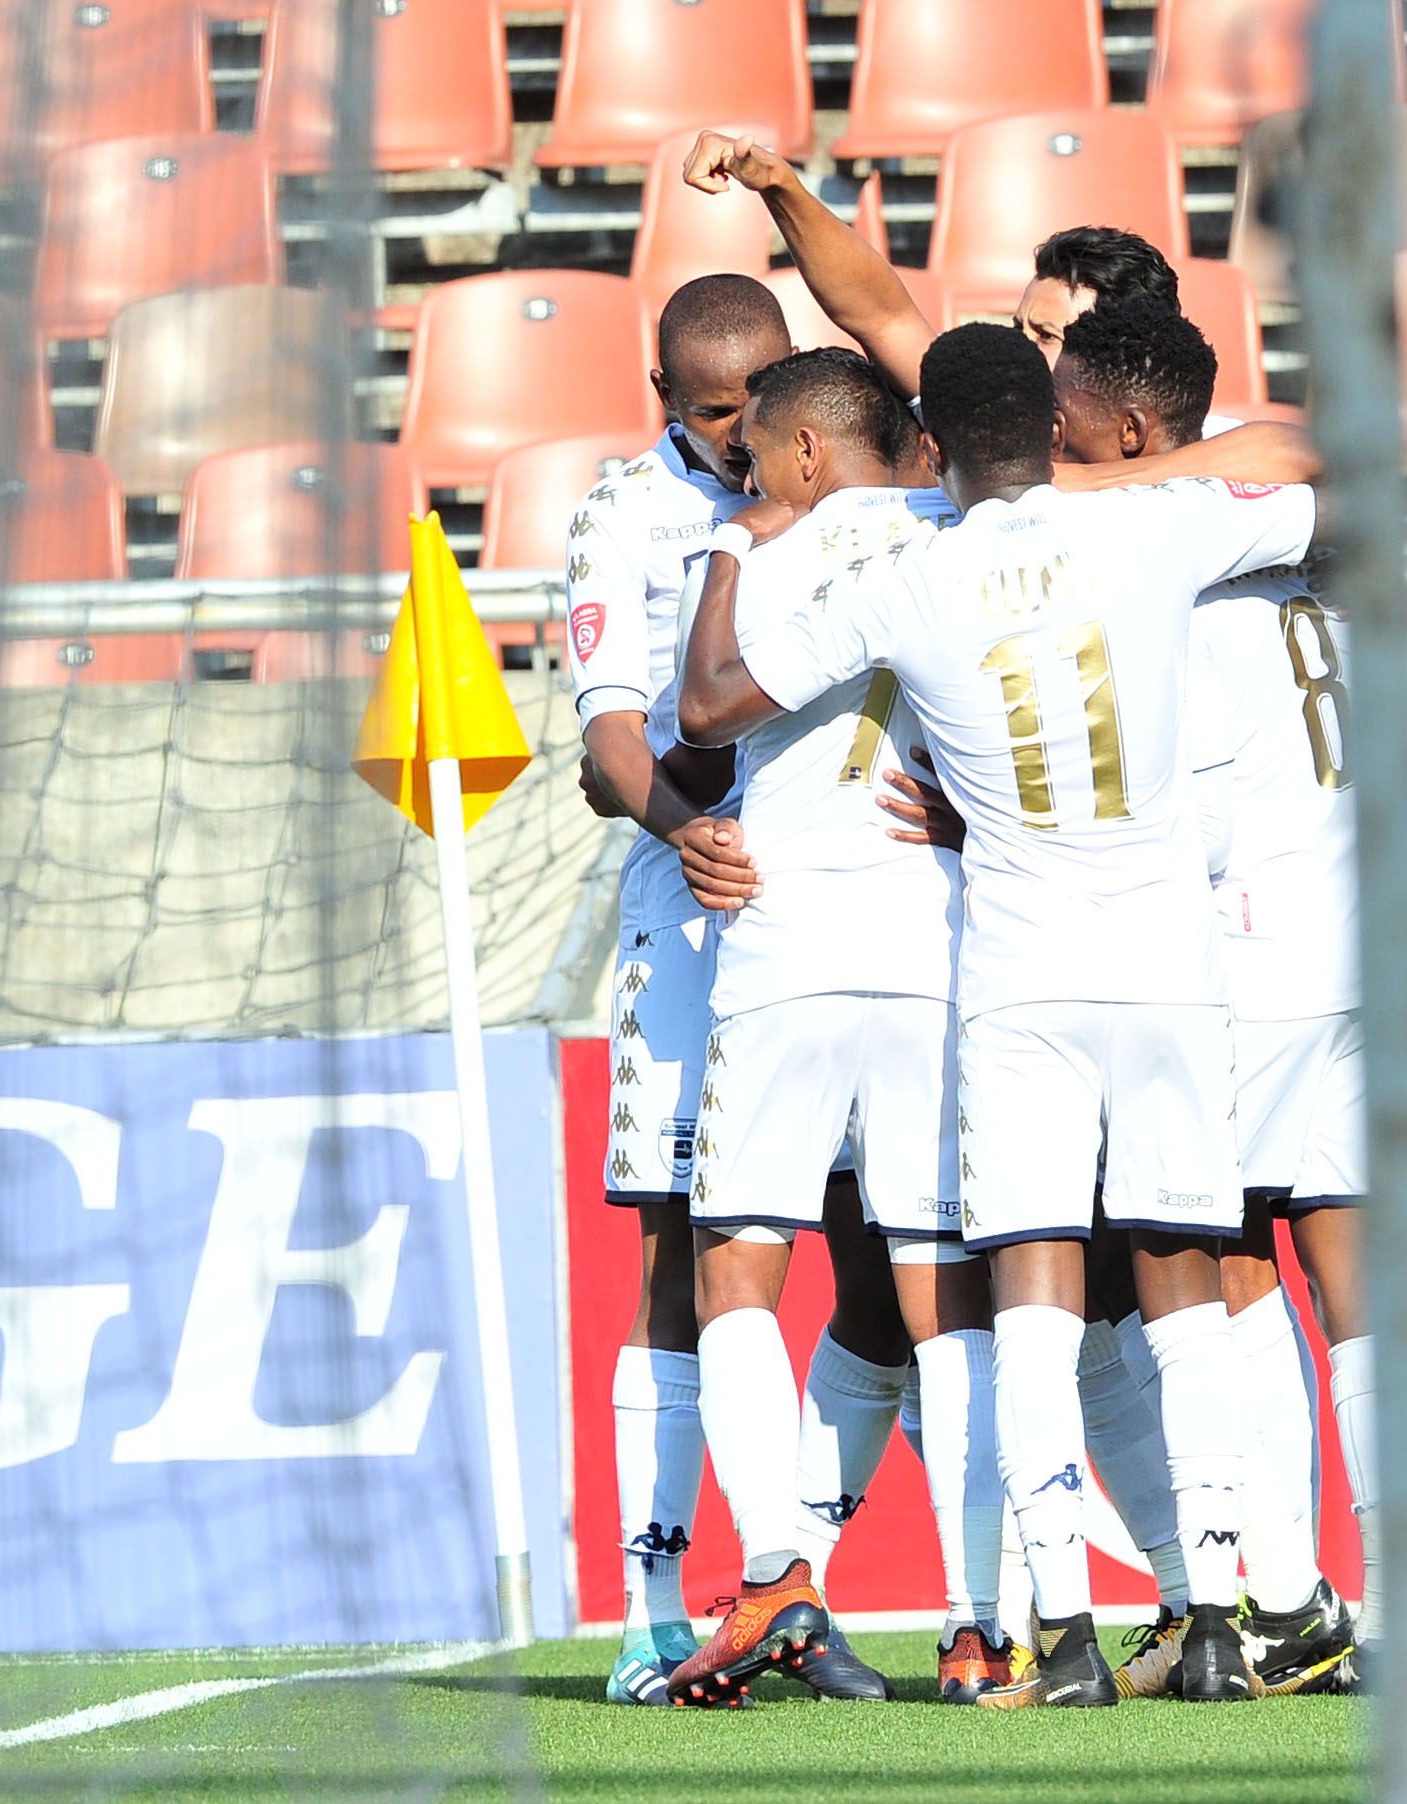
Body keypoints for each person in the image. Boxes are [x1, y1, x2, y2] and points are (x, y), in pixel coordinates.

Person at [680, 324, 1319, 1708]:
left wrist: (735, 548)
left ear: (938, 439)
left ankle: (1064, 1640)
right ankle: (1213, 1617)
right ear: (1049, 427)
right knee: (1182, 1289)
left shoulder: (910, 581)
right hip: (1169, 966)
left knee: (1028, 1296)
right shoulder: (1155, 531)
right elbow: (1336, 484)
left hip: (1021, 982)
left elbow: (715, 702)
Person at [656, 347, 1024, 1707]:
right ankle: (982, 1625)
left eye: (755, 448)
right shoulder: (974, 541)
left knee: (737, 1272)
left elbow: (698, 729)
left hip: (790, 946)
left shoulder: (761, 546)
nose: (742, 472)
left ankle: (773, 1577)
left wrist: (730, 560)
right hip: (938, 951)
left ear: (809, 451)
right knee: (946, 1295)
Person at [567, 273, 900, 1708]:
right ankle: (654, 1607)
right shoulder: (622, 515)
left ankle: (789, 1578)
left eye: (766, 398)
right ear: (669, 405)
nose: (746, 428)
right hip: (698, 925)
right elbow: (603, 743)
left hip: (860, 921)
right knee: (679, 1256)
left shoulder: (860, 492)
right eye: (716, 411)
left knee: (885, 1269)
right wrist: (676, 826)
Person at [1054, 298, 1373, 1694]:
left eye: (1065, 412)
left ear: (1131, 428)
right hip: (1356, 949)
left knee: (1201, 1256)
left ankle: (1261, 1594)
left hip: (1248, 957)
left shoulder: (1164, 566)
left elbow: (1154, 813)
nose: (1052, 440)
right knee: (1336, 1266)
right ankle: (1359, 1601)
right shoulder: (1291, 550)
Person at [677, 131, 1319, 491]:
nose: (1015, 347)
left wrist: (1078, 489)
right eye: (1018, 326)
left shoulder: (1201, 461)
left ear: (1123, 360)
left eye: (1044, 335)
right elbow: (880, 314)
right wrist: (782, 187)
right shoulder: (981, 422)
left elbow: (1300, 455)